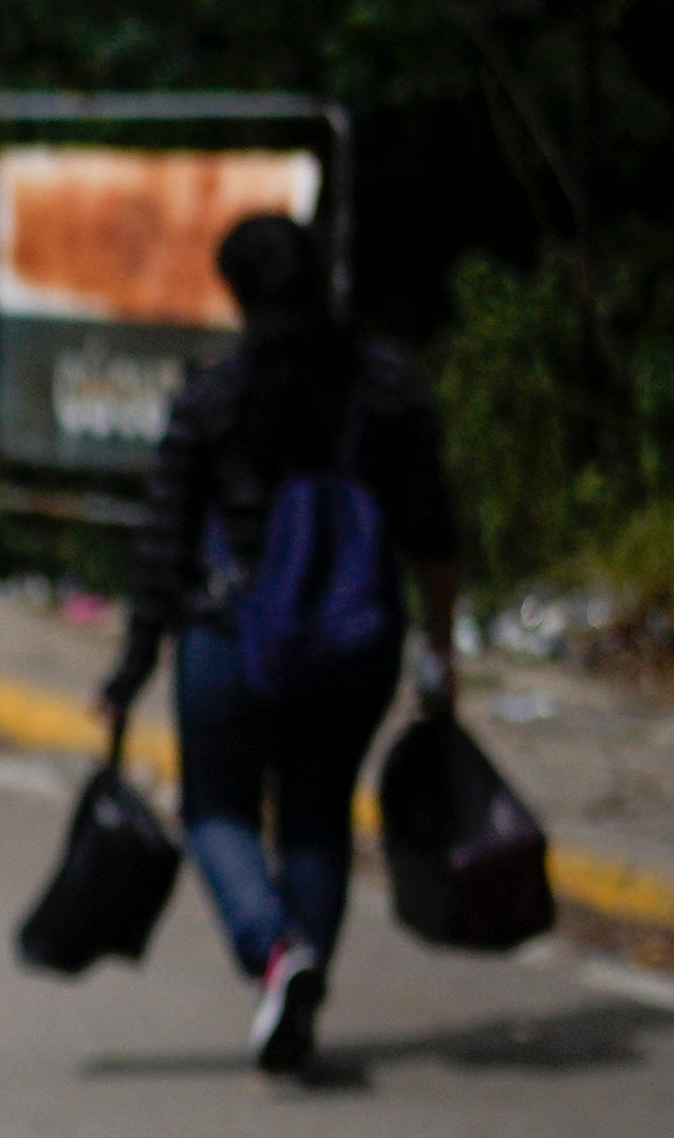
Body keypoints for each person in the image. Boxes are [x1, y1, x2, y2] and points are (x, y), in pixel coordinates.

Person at [102, 212, 466, 1077]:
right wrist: (441, 653)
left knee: (216, 810)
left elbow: (162, 544)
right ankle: (297, 981)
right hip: (356, 642)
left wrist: (129, 667)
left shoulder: (213, 394)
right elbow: (432, 531)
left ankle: (273, 955)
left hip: (230, 638)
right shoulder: (387, 386)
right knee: (316, 816)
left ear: (234, 291)